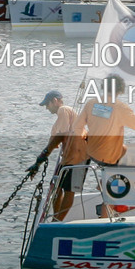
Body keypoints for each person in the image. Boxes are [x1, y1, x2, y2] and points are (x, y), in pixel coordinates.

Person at [37, 89, 89, 221]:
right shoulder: (58, 120)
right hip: (68, 156)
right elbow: (55, 140)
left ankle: (57, 220)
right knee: (57, 187)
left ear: (55, 101)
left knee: (69, 189)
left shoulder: (63, 110)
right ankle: (56, 218)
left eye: (47, 105)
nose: (46, 108)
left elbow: (62, 134)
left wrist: (41, 157)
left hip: (79, 154)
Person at [82, 75, 135, 167]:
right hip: (105, 157)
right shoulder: (120, 107)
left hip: (90, 152)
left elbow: (78, 126)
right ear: (120, 90)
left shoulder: (92, 103)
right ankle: (112, 172)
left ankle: (109, 170)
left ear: (104, 87)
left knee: (123, 149)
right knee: (125, 153)